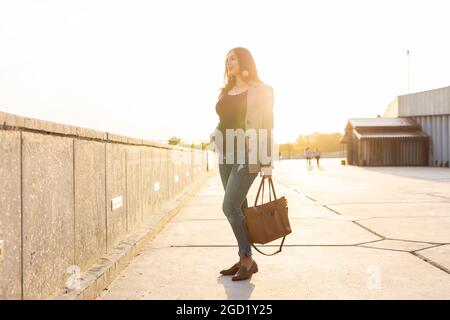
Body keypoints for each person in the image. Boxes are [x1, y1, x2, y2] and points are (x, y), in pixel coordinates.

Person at [213, 47, 274, 281]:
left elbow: (268, 125)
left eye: (234, 58)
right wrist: (215, 134)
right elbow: (223, 120)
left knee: (229, 207)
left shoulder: (262, 91)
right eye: (227, 59)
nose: (229, 63)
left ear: (245, 61)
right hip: (225, 155)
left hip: (247, 154)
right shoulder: (226, 91)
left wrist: (267, 162)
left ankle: (247, 260)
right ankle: (243, 258)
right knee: (240, 209)